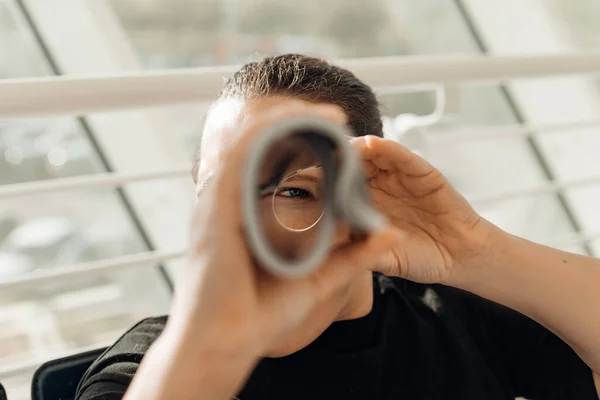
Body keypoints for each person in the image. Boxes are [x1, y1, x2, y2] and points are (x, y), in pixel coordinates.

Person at [75, 54, 600, 400]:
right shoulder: (149, 368)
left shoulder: (449, 315)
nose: (250, 228)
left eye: (296, 192)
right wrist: (213, 345)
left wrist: (472, 246)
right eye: (223, 193)